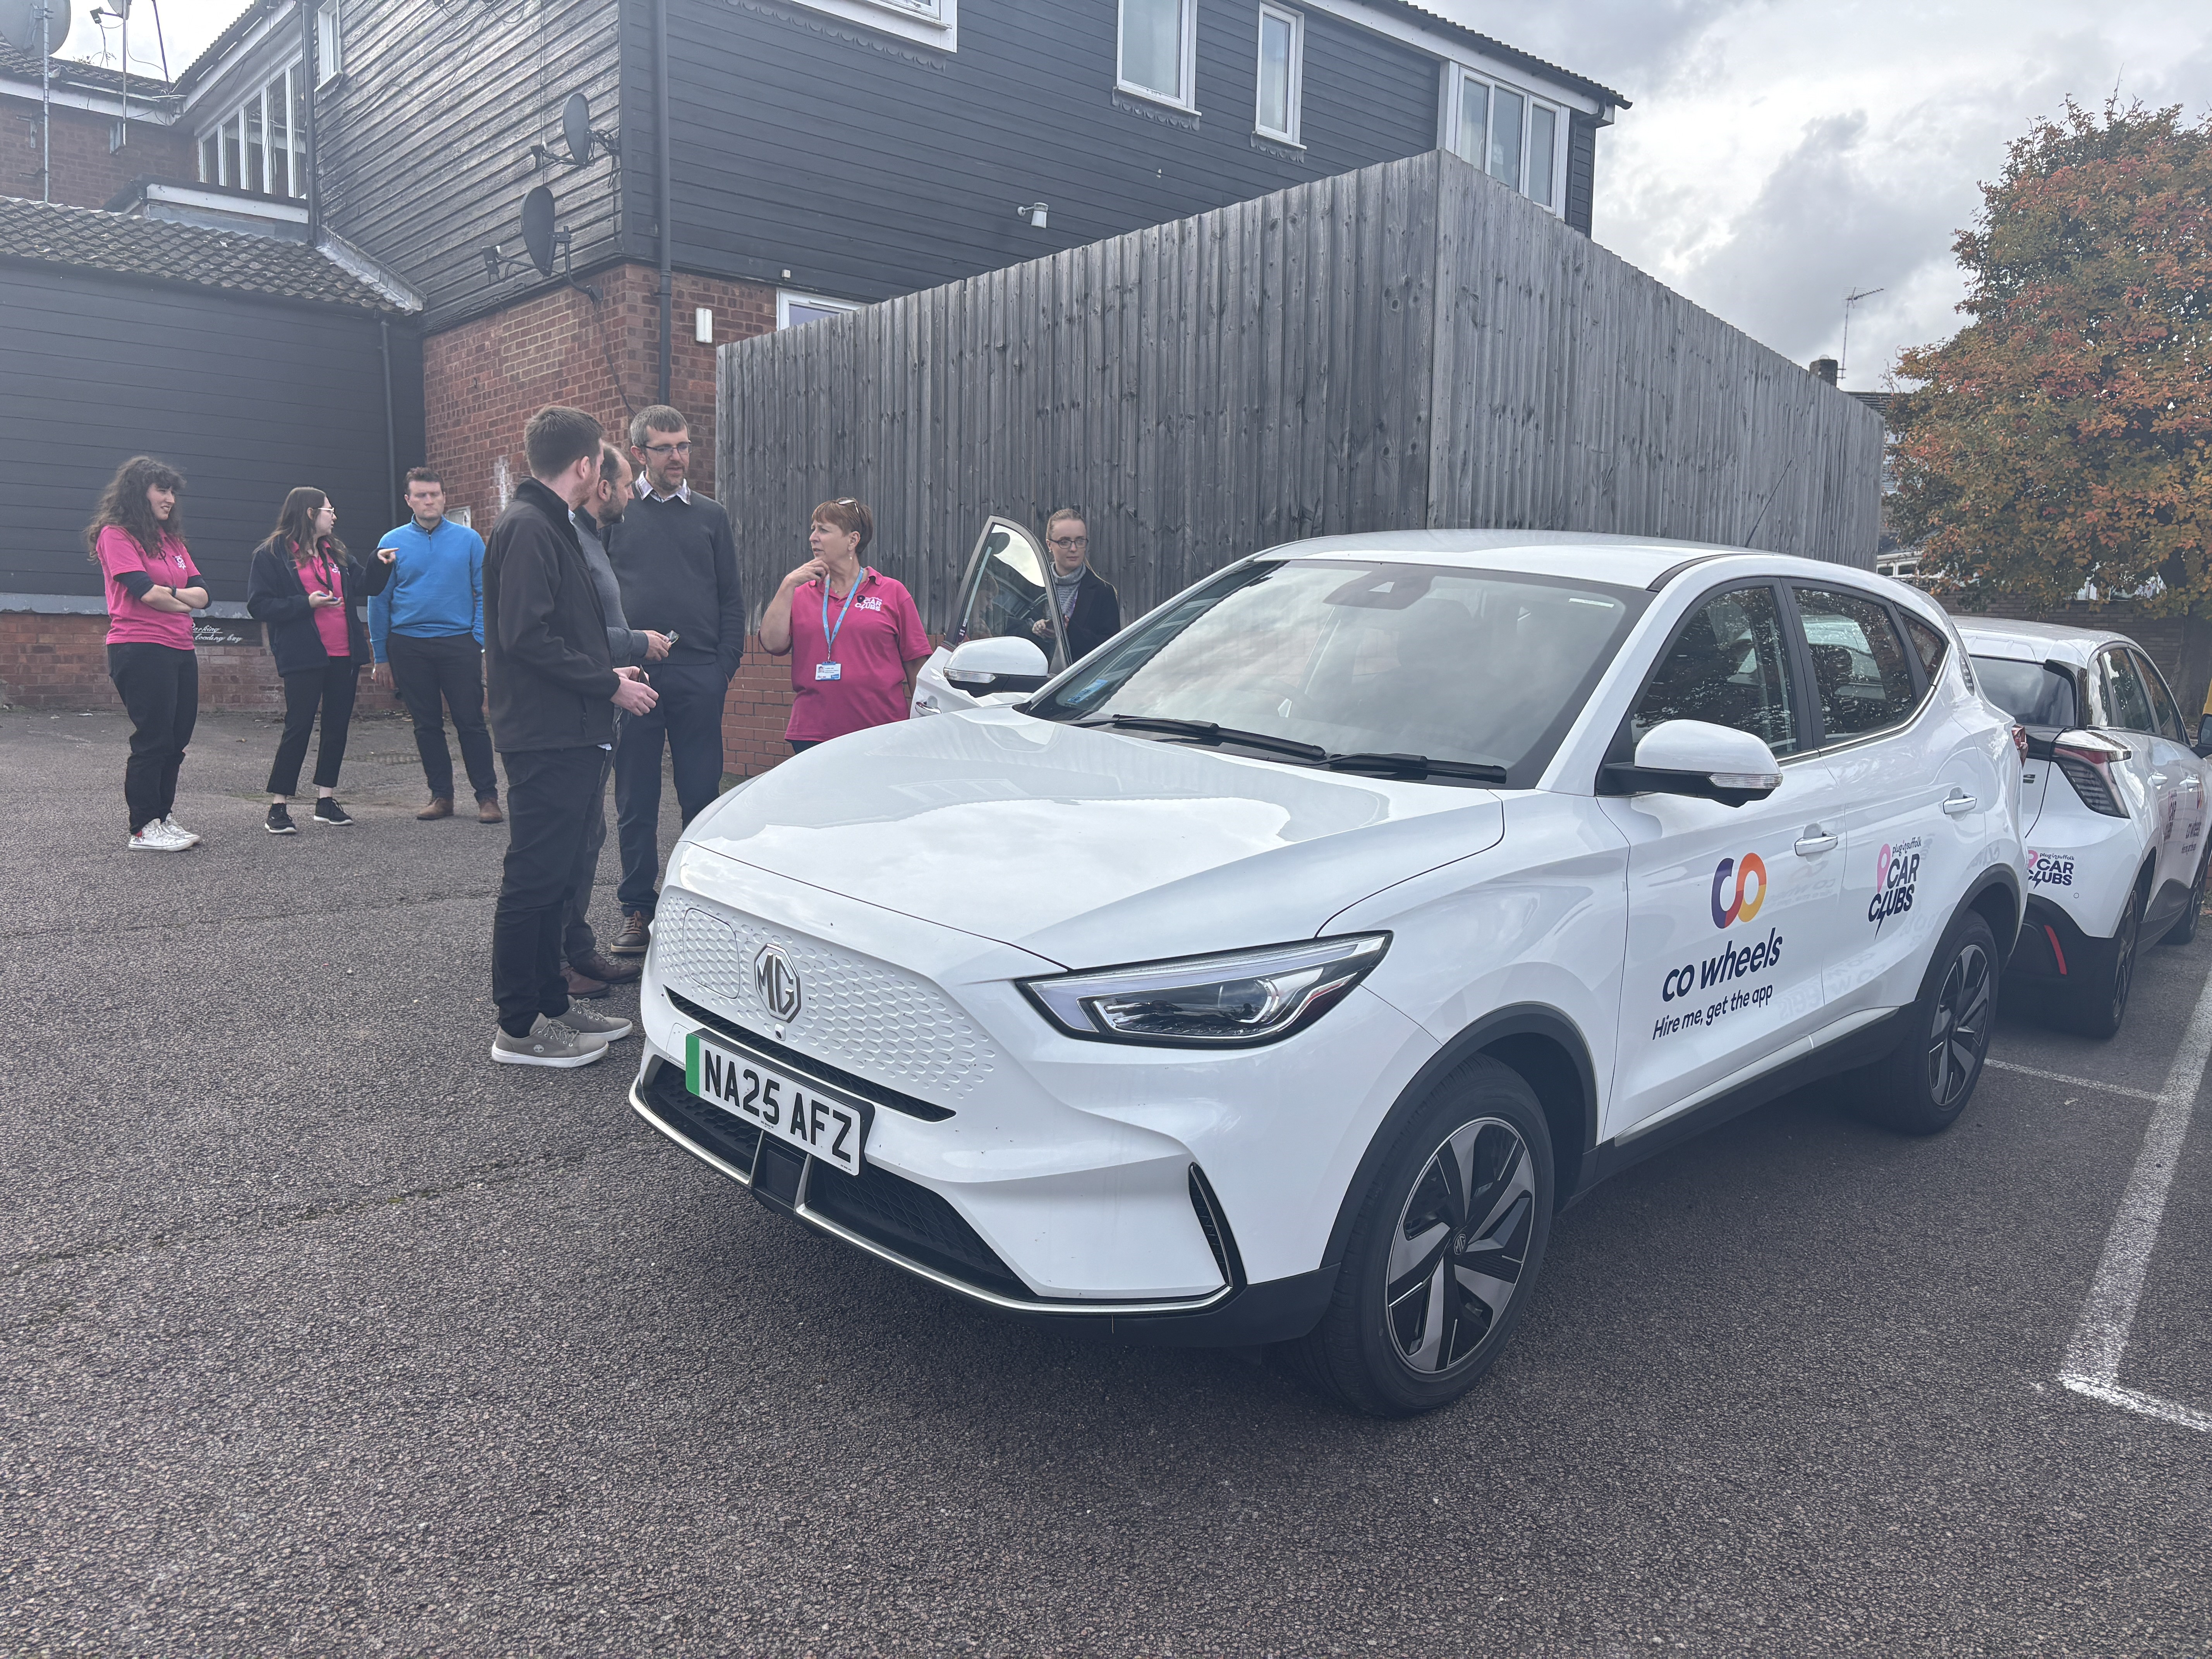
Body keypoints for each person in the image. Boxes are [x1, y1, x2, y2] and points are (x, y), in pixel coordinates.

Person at [484, 405, 658, 1068]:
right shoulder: (530, 527)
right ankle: (519, 1027)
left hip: (566, 728)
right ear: (585, 466)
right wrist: (607, 684)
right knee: (533, 881)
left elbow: (552, 634)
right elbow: (525, 636)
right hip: (546, 735)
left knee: (555, 878)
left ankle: (552, 1006)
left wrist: (603, 670)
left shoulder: (544, 522)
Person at [606, 404, 744, 958]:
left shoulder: (711, 516)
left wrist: (723, 668)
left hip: (698, 673)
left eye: (685, 446)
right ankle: (638, 908)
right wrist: (617, 657)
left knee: (700, 795)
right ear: (639, 452)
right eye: (666, 448)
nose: (679, 458)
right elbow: (601, 599)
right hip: (635, 674)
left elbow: (731, 598)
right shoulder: (614, 513)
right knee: (635, 797)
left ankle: (700, 906)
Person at [560, 443, 671, 999]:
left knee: (588, 835)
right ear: (602, 485)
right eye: (626, 485)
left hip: (599, 703)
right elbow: (564, 634)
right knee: (566, 842)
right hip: (570, 715)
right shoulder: (563, 538)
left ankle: (578, 955)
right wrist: (635, 644)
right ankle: (559, 969)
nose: (631, 494)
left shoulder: (585, 535)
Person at [246, 489, 393, 833]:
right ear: (310, 512)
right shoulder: (272, 555)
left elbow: (366, 585)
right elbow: (259, 605)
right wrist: (305, 603)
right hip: (304, 654)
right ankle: (279, 806)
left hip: (343, 653)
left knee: (337, 728)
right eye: (330, 510)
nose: (335, 516)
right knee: (298, 727)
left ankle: (326, 801)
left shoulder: (336, 553)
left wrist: (379, 562)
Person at [368, 467, 501, 824]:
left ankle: (488, 798)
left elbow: (485, 592)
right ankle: (441, 796)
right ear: (409, 500)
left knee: (471, 722)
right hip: (408, 645)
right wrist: (381, 655)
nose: (430, 501)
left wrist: (478, 640)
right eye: (422, 495)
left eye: (436, 494)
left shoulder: (470, 540)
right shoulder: (391, 543)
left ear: (444, 497)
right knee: (426, 725)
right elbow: (378, 600)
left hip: (460, 644)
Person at [89, 455, 209, 852]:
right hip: (139, 647)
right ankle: (143, 828)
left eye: (173, 491)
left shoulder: (171, 542)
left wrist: (170, 597)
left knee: (177, 740)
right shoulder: (116, 535)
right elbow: (146, 593)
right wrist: (177, 597)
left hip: (179, 647)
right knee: (154, 738)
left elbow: (203, 596)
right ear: (139, 492)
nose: (170, 498)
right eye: (162, 489)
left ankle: (163, 816)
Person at [760, 498, 930, 753]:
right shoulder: (800, 593)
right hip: (813, 734)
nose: (813, 537)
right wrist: (787, 586)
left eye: (823, 530)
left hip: (882, 733)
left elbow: (917, 665)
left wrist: (925, 728)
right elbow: (773, 643)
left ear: (852, 540)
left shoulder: (892, 592)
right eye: (813, 529)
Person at [1034, 507, 1121, 661]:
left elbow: (1111, 649)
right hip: (1034, 680)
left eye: (1080, 541)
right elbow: (1014, 633)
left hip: (1080, 681)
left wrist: (1069, 631)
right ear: (1049, 545)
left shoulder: (1103, 592)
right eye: (1065, 542)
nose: (1074, 549)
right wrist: (1034, 628)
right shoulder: (1034, 585)